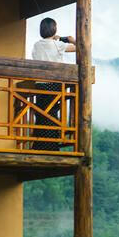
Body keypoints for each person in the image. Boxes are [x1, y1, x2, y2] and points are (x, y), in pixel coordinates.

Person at [30, 17, 75, 151]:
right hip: (54, 83)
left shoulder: (36, 45)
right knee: (52, 112)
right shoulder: (58, 44)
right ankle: (51, 145)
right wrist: (68, 38)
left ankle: (39, 145)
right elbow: (80, 47)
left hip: (40, 83)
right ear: (54, 29)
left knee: (42, 113)